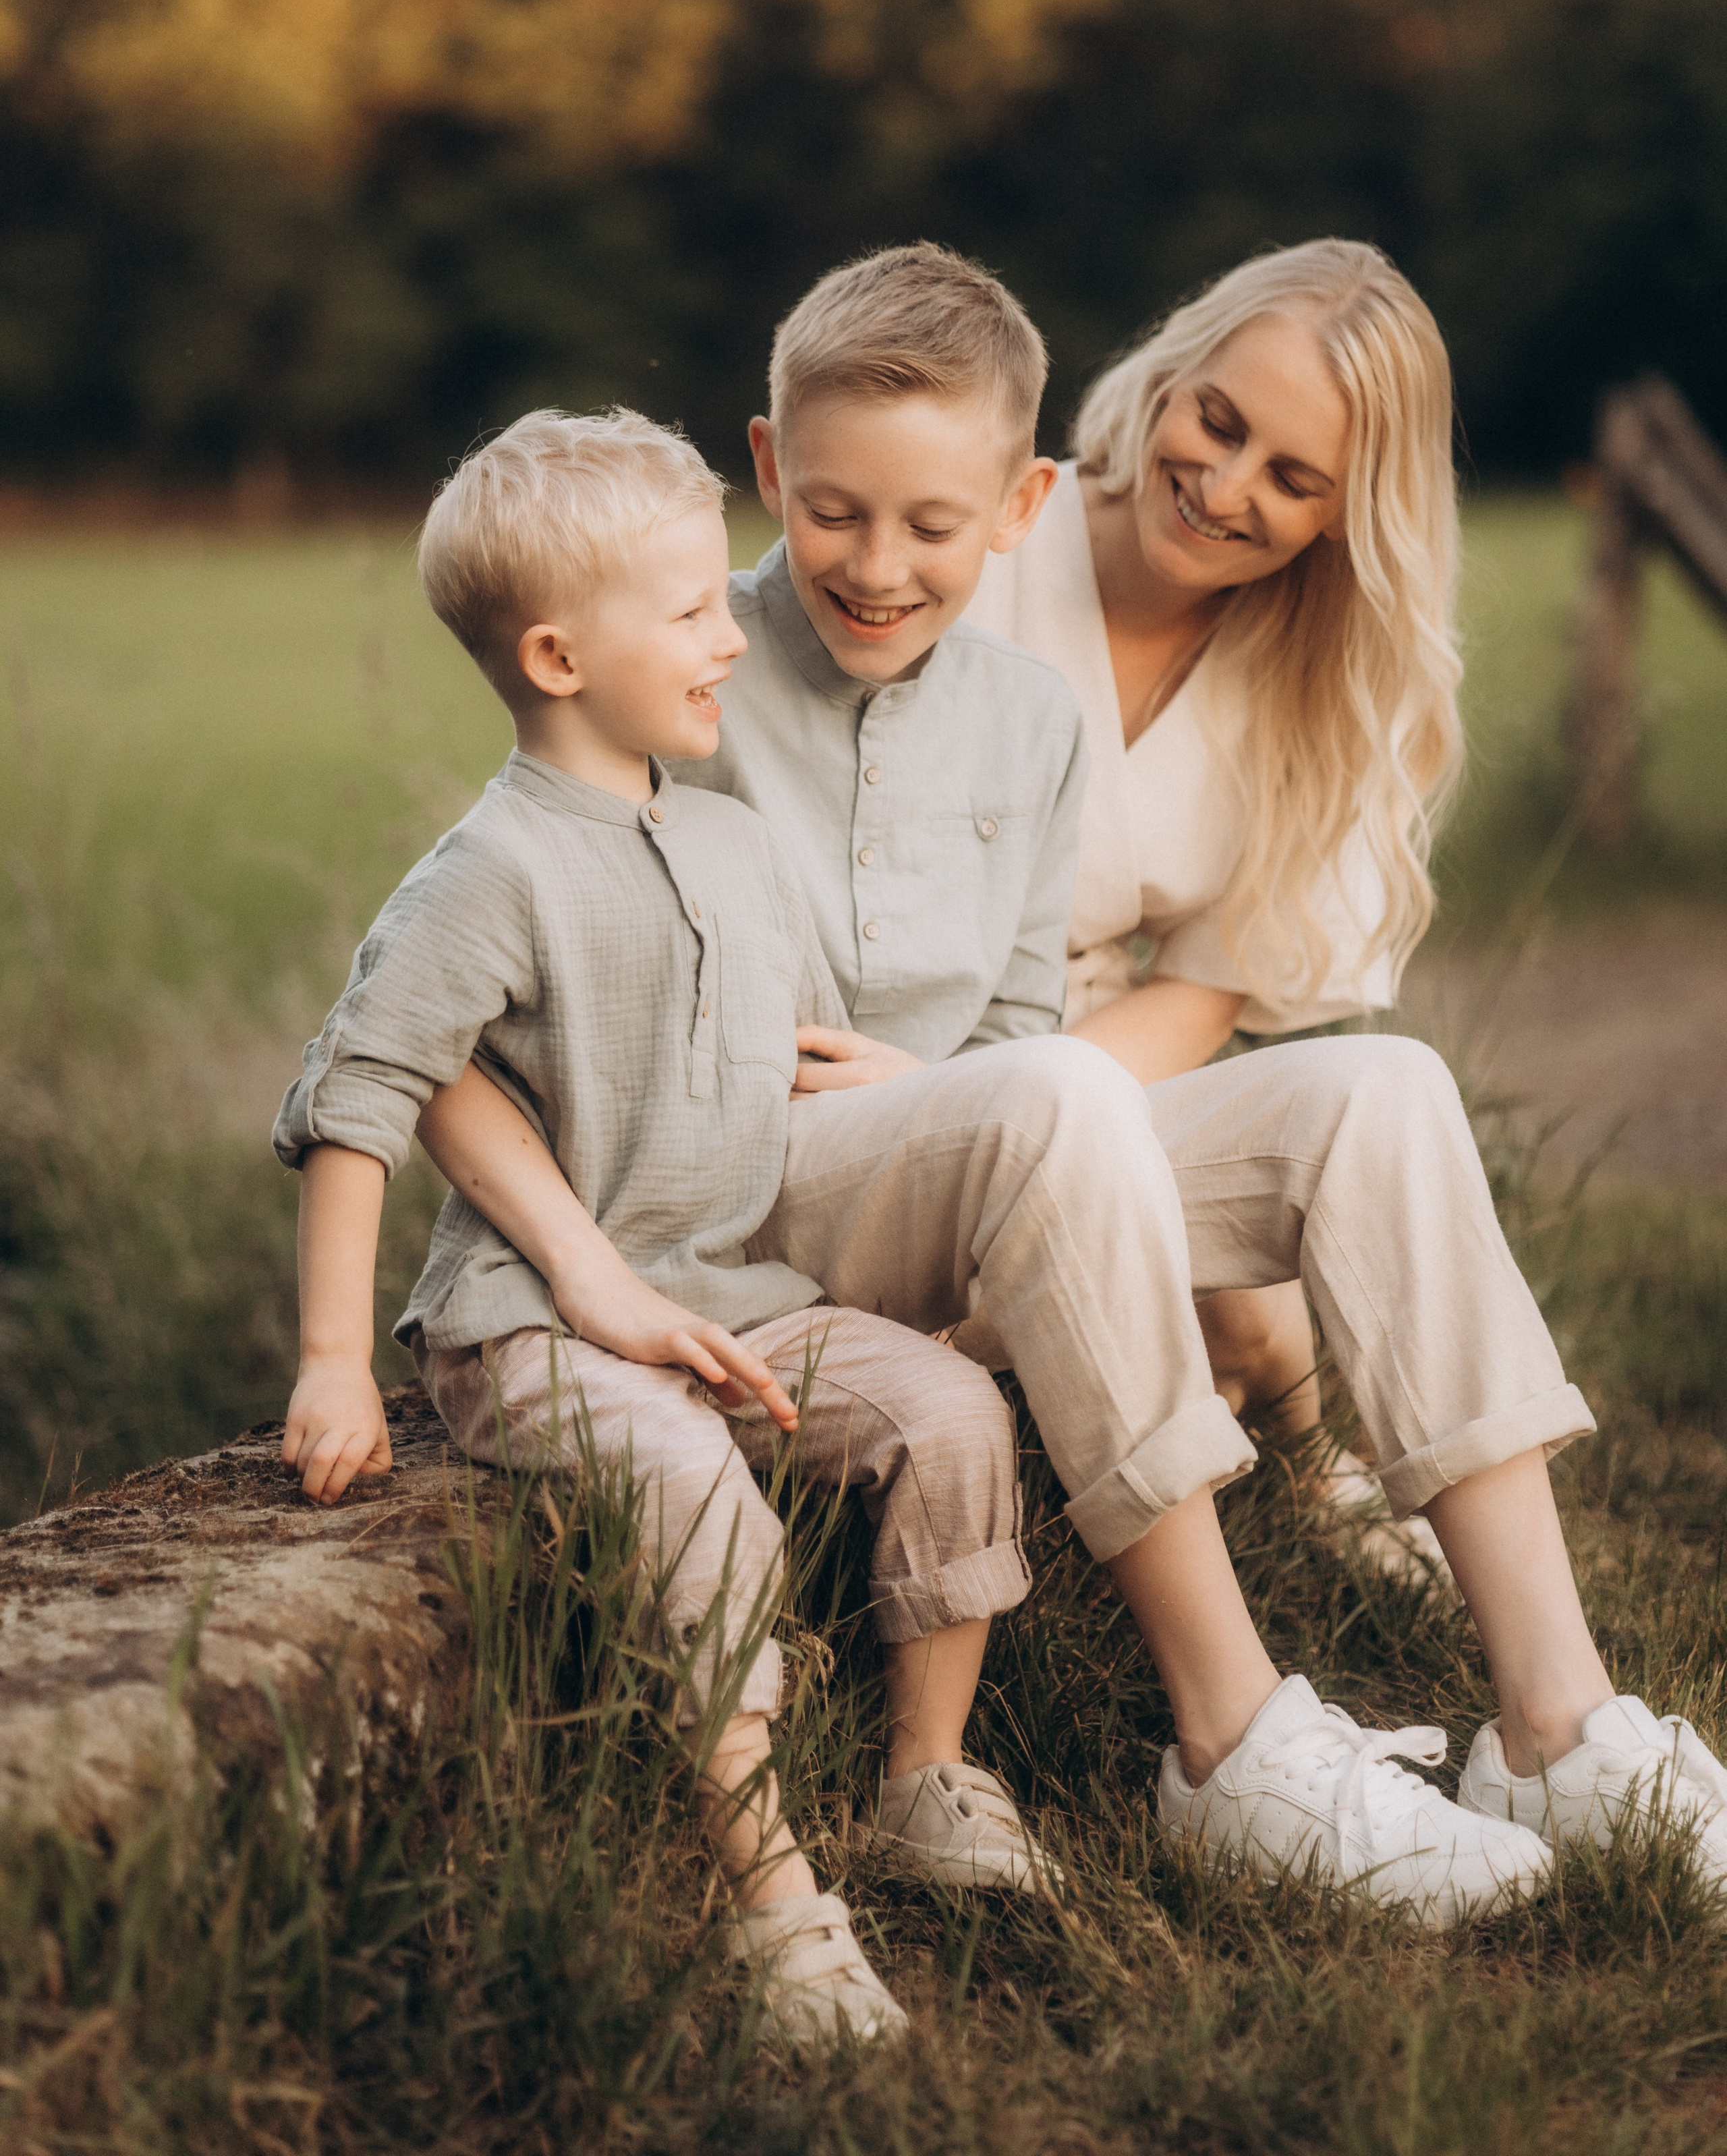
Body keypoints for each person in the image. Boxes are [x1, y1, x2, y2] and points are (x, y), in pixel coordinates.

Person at [420, 250, 1612, 1930]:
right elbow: (503, 947)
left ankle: (1559, 1721)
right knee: (1049, 1095)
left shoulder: (1022, 715)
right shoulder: (692, 659)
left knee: (1382, 1092)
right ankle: (1232, 1740)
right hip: (758, 1171)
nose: (882, 564)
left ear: (1007, 503)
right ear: (772, 474)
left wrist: (969, 1086)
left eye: (1290, 475)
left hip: (971, 1135)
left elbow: (1018, 1020)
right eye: (1216, 425)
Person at [275, 407, 1074, 2053]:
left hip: (732, 1287)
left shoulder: (726, 840)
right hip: (532, 1327)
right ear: (561, 655)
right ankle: (771, 1901)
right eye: (699, 611)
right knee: (696, 1493)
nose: (736, 635)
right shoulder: (484, 870)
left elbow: (775, 1065)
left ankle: (927, 1775)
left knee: (948, 1413)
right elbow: (362, 1092)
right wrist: (334, 1365)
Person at [965, 239, 1465, 1574]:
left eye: (1291, 477)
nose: (1220, 486)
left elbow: (1205, 983)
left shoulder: (1310, 676)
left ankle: (1308, 1457)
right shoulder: (979, 534)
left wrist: (1044, 1109)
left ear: (1343, 513)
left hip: (1084, 1044)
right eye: (1218, 421)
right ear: (1174, 369)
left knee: (1234, 1280)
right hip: (866, 1022)